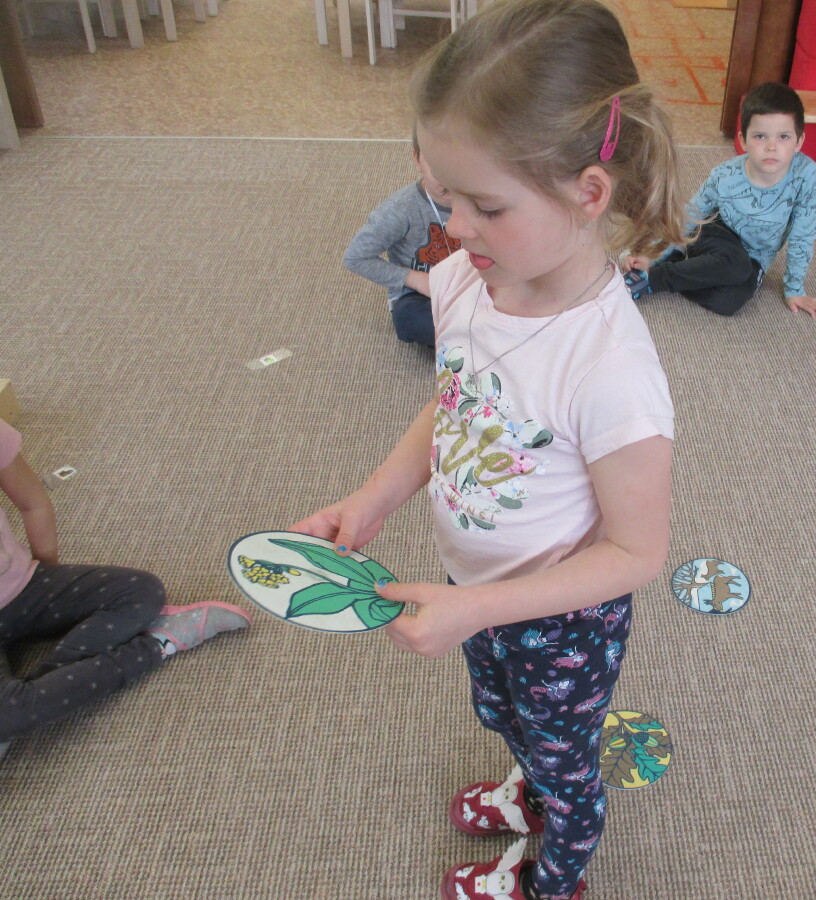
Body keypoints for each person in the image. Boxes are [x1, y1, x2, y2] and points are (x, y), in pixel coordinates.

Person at [291, 2, 686, 897]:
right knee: (504, 715)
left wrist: (482, 608)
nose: (456, 227)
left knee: (566, 762)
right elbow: (455, 402)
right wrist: (376, 496)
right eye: (446, 198)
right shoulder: (466, 278)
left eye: (486, 205)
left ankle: (555, 876)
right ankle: (528, 788)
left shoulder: (612, 370)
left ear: (589, 193)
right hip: (473, 589)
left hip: (560, 621)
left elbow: (638, 552)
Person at [0, 418, 250, 760]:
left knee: (141, 591)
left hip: (23, 586)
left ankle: (29, 702)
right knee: (8, 715)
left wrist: (50, 576)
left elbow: (33, 503)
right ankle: (153, 646)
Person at [623, 81, 816, 319]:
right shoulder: (725, 175)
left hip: (756, 257)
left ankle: (686, 265)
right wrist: (654, 256)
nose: (771, 147)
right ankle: (654, 278)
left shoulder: (805, 174)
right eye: (760, 136)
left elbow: (803, 233)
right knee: (735, 264)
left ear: (799, 142)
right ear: (743, 140)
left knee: (729, 302)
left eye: (783, 137)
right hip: (716, 233)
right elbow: (694, 211)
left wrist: (794, 289)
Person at [342, 132, 462, 348]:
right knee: (410, 318)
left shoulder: (485, 196)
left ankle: (472, 334)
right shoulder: (399, 210)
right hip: (421, 293)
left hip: (477, 281)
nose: (448, 178)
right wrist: (415, 280)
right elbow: (356, 258)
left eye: (459, 166)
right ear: (417, 160)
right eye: (437, 166)